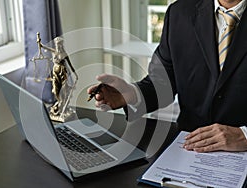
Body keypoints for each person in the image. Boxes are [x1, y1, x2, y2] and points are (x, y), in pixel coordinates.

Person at [87, 0, 247, 153]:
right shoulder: (179, 13)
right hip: (189, 146)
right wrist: (132, 94)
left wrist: (244, 136)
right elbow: (162, 83)